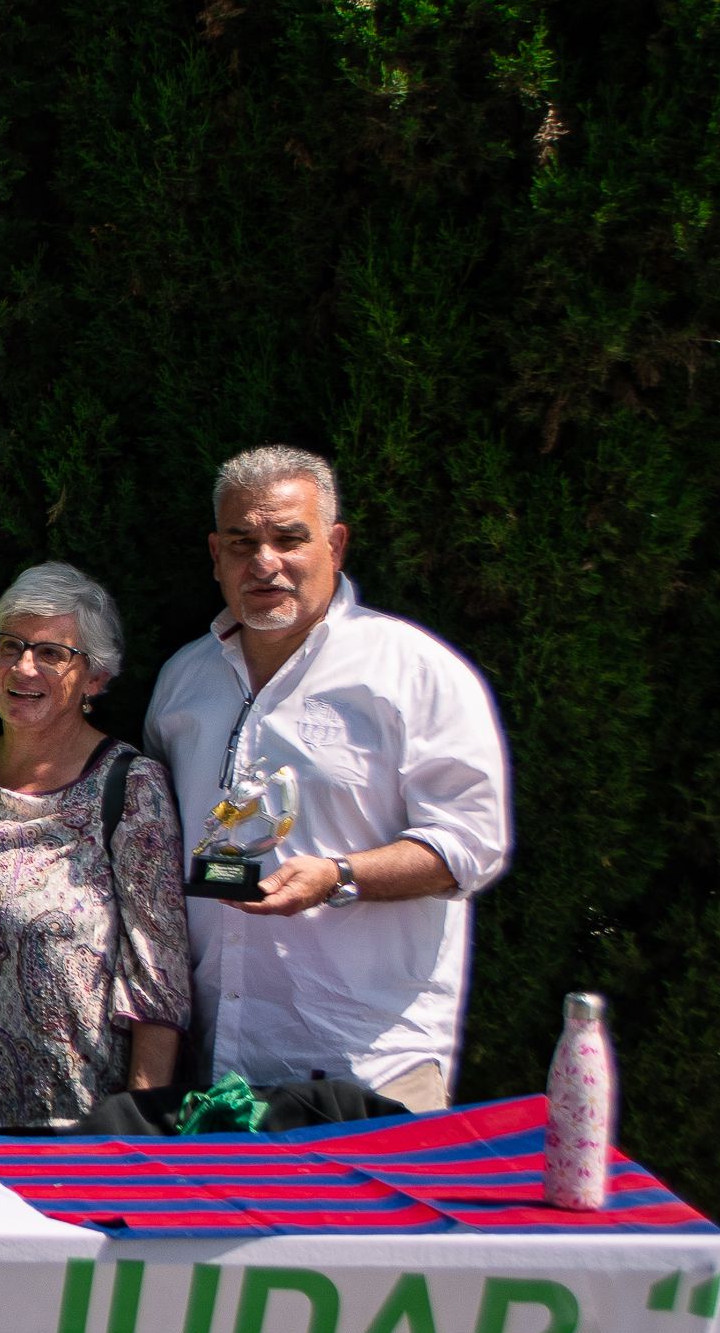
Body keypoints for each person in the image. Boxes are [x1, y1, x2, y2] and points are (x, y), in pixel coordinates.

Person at [143, 445, 512, 1111]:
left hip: (368, 1069)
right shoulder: (182, 682)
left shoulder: (413, 672)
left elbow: (471, 846)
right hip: (217, 1068)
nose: (265, 563)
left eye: (290, 539)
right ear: (216, 555)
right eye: (242, 542)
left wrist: (340, 876)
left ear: (335, 545)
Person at [0, 563, 192, 1129]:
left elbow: (159, 978)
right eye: (9, 646)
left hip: (63, 1128)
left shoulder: (129, 786)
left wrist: (140, 1126)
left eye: (52, 653)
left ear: (95, 678)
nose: (24, 666)